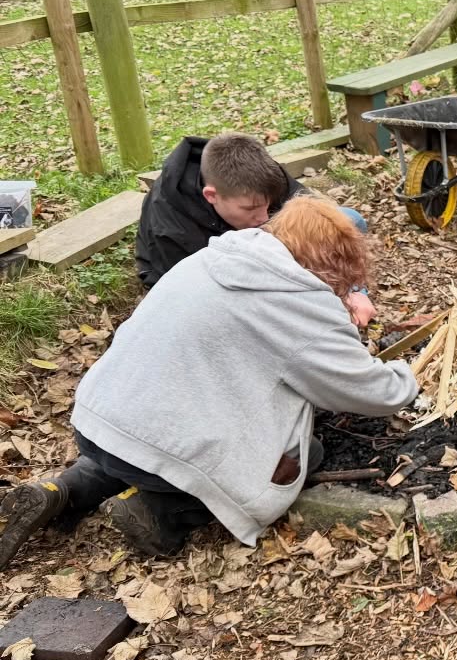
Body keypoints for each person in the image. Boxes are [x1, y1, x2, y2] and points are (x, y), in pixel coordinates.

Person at [0, 198, 417, 567]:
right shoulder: (297, 300)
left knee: (136, 442)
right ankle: (161, 512)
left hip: (99, 420)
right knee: (303, 451)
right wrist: (409, 374)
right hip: (153, 443)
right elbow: (372, 391)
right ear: (333, 262)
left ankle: (64, 487)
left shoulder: (222, 255)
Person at [136, 133, 376, 324]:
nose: (263, 218)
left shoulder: (260, 175)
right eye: (250, 209)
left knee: (350, 218)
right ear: (212, 196)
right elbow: (200, 299)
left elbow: (320, 220)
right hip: (211, 276)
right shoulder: (170, 225)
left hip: (256, 251)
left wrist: (353, 289)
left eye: (268, 205)